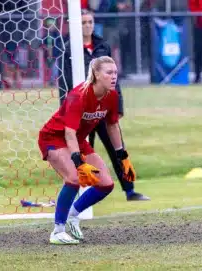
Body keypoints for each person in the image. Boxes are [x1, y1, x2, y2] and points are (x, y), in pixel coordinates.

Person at [39, 56, 136, 244]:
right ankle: (58, 231)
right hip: (54, 137)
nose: (114, 76)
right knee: (74, 178)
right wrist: (78, 162)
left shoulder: (112, 96)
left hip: (77, 139)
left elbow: (113, 126)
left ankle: (73, 216)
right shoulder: (78, 96)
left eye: (115, 72)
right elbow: (68, 133)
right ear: (96, 74)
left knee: (106, 184)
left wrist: (123, 157)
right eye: (109, 72)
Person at [58, 9, 150, 201]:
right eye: (83, 23)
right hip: (82, 111)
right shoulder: (69, 49)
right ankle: (82, 193)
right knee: (83, 151)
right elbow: (64, 80)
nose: (87, 26)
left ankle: (130, 190)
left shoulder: (102, 46)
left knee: (116, 146)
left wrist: (119, 105)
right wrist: (65, 108)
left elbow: (114, 78)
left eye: (90, 22)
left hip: (104, 108)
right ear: (76, 25)